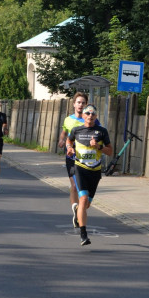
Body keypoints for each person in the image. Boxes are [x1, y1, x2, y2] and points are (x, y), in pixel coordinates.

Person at [66, 105, 112, 246]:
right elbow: (69, 140)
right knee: (83, 198)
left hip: (95, 171)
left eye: (93, 114)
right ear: (83, 116)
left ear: (96, 116)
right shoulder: (77, 130)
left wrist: (98, 147)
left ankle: (77, 214)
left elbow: (110, 151)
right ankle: (83, 235)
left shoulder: (102, 131)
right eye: (87, 113)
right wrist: (69, 148)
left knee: (86, 204)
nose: (90, 116)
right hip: (80, 168)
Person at [58, 92, 90, 226]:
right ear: (74, 104)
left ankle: (79, 210)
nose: (80, 105)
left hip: (86, 158)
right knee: (74, 184)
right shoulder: (68, 119)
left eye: (83, 103)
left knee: (84, 190)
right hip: (71, 156)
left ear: (86, 105)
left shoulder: (90, 119)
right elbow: (65, 132)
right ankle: (75, 208)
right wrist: (61, 140)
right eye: (78, 102)